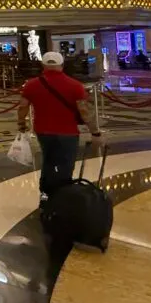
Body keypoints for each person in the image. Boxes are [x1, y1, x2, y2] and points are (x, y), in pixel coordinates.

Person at [17, 51, 104, 205]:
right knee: (65, 166)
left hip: (43, 131)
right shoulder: (74, 85)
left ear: (43, 66)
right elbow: (85, 112)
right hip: (67, 133)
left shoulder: (32, 84)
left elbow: (22, 107)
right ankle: (62, 199)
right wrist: (95, 132)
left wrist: (21, 124)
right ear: (62, 66)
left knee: (48, 163)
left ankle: (45, 197)